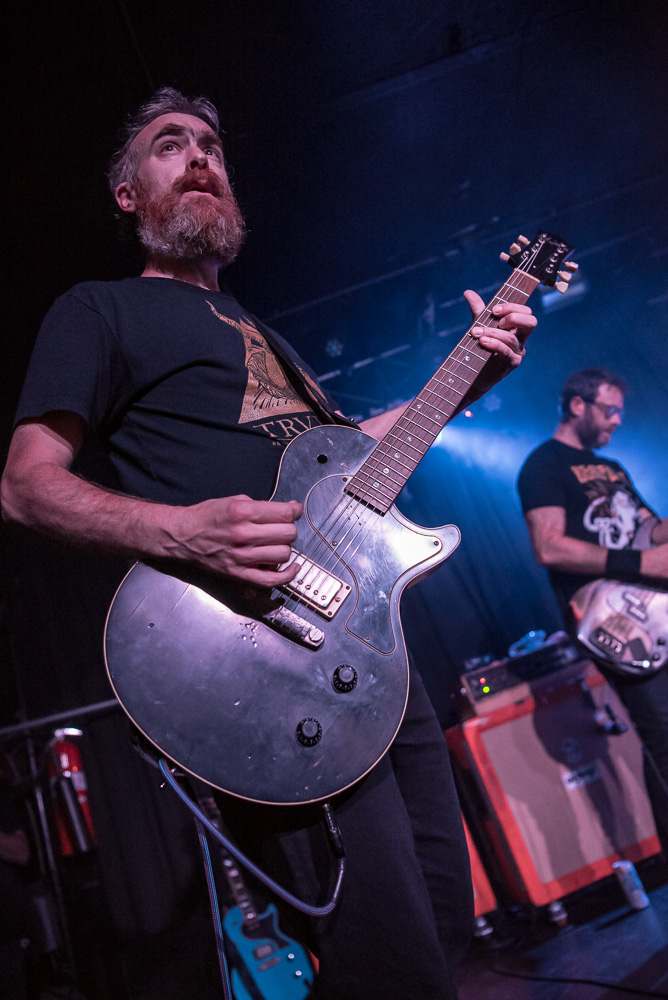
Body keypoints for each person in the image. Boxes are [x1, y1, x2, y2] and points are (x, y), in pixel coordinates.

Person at [1, 88, 537, 1000]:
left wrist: (468, 376)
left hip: (371, 653)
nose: (200, 157)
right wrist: (183, 531)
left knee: (444, 923)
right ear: (128, 196)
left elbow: (357, 461)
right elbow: (24, 484)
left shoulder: (263, 334)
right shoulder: (100, 311)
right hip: (268, 661)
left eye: (210, 144)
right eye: (170, 146)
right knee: (387, 950)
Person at [517, 367, 668, 846]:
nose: (618, 421)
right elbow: (550, 547)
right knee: (662, 733)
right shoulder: (543, 465)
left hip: (651, 607)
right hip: (610, 619)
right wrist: (643, 560)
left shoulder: (614, 469)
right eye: (610, 410)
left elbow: (649, 526)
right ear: (577, 405)